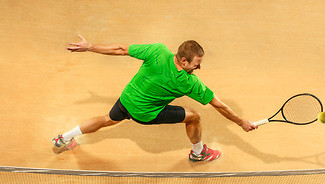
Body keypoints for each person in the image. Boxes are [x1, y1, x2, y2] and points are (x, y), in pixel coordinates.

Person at [52, 35, 257, 161]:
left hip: (127, 98)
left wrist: (90, 47)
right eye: (196, 64)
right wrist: (241, 122)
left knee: (108, 119)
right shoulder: (188, 83)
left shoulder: (158, 50)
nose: (199, 68)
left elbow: (121, 49)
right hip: (144, 113)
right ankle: (198, 153)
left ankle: (64, 138)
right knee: (194, 116)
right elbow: (218, 105)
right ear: (184, 60)